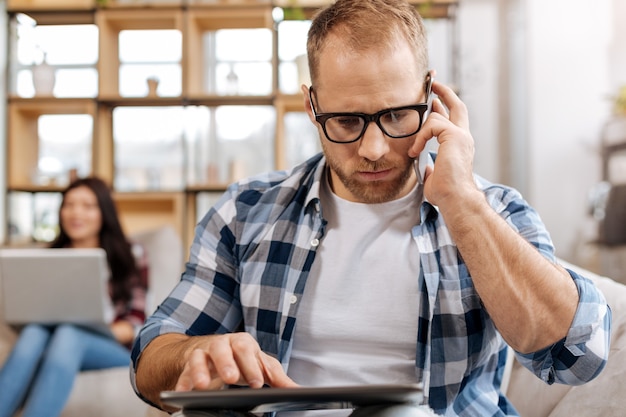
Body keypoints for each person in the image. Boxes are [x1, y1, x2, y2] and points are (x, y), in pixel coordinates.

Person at [130, 0, 612, 416]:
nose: (375, 148)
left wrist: (462, 204)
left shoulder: (494, 210)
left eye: (397, 114)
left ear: (431, 97)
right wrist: (197, 353)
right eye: (345, 121)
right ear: (311, 105)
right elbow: (150, 362)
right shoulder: (246, 211)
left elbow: (580, 354)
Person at [0, 177, 149, 417]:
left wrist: (89, 327)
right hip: (51, 339)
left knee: (69, 334)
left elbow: (135, 323)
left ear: (104, 211)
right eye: (68, 204)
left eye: (87, 206)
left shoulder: (132, 253)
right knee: (33, 332)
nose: (75, 213)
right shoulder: (49, 256)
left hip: (111, 345)